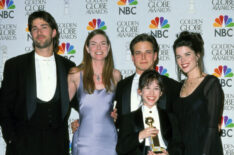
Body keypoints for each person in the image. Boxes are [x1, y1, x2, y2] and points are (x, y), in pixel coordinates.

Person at [0, 10, 76, 155]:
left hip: (57, 146)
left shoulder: (68, 66)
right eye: (34, 28)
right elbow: (3, 105)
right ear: (31, 34)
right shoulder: (15, 65)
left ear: (54, 32)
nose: (39, 31)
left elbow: (81, 101)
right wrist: (10, 138)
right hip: (22, 146)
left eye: (44, 27)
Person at [67, 29, 121, 155]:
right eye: (93, 44)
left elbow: (120, 109)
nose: (98, 48)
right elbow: (62, 107)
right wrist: (70, 124)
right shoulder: (75, 74)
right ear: (87, 48)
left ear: (108, 48)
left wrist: (118, 117)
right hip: (84, 140)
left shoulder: (116, 75)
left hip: (110, 140)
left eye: (103, 43)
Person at [172, 31, 224, 155]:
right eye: (178, 56)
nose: (182, 60)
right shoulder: (178, 87)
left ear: (197, 55)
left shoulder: (210, 84)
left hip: (207, 150)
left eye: (187, 54)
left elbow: (212, 128)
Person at [115, 33, 181, 128]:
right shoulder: (121, 86)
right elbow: (119, 123)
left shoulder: (172, 86)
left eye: (148, 52)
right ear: (132, 57)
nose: (143, 57)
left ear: (155, 56)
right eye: (138, 53)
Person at [116, 69, 182, 155]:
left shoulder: (170, 117)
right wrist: (140, 135)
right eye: (147, 88)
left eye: (156, 88)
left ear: (161, 92)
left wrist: (169, 153)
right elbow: (120, 148)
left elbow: (179, 145)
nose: (152, 93)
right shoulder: (128, 118)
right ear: (140, 91)